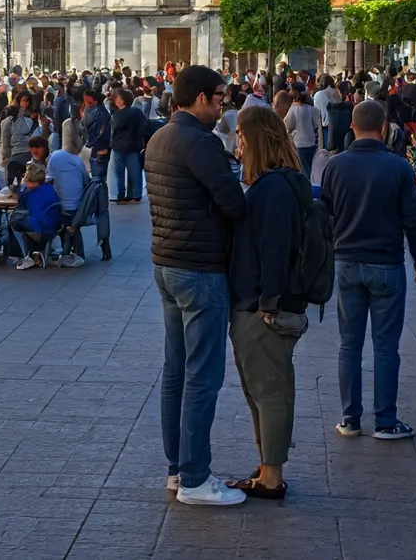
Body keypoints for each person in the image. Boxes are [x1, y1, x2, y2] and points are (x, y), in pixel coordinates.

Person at [144, 65, 247, 506]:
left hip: (167, 263)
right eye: (219, 97)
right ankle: (195, 478)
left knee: (176, 371)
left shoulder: (161, 137)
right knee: (202, 376)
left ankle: (177, 469)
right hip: (200, 267)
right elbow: (233, 203)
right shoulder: (200, 142)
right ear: (201, 98)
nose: (223, 104)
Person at [321, 100, 416, 440]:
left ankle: (350, 418)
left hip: (347, 261)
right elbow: (413, 218)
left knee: (348, 345)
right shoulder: (398, 168)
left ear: (352, 127)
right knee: (385, 346)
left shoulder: (335, 166)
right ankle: (386, 420)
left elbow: (327, 215)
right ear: (384, 128)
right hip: (386, 262)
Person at [226, 104, 309, 500]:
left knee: (269, 390)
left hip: (263, 307)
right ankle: (266, 468)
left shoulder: (273, 188)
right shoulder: (283, 182)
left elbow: (275, 248)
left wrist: (267, 304)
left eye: (241, 135)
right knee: (262, 389)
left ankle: (272, 474)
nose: (236, 142)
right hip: (263, 303)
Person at [46, 142, 88, 267]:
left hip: (61, 208)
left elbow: (48, 180)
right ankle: (76, 251)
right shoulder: (79, 161)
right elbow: (86, 180)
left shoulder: (54, 157)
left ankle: (54, 251)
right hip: (77, 208)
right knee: (70, 223)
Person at [11, 163, 61, 270]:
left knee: (13, 220)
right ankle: (37, 252)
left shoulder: (28, 192)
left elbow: (20, 204)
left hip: (40, 226)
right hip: (54, 226)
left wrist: (22, 185)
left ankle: (27, 255)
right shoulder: (51, 189)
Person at [110, 88, 147, 203]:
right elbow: (143, 128)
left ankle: (121, 194)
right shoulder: (137, 112)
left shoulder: (117, 114)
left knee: (119, 172)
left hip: (118, 146)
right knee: (135, 170)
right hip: (134, 145)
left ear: (121, 100)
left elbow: (114, 129)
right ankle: (136, 194)